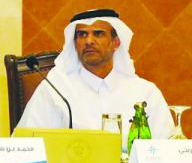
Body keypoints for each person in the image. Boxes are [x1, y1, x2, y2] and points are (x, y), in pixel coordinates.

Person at [18, 8, 174, 137]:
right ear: (75, 44)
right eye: (82, 34)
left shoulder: (144, 93)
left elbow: (165, 149)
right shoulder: (56, 89)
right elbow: (28, 145)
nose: (89, 41)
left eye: (98, 34)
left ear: (116, 42)